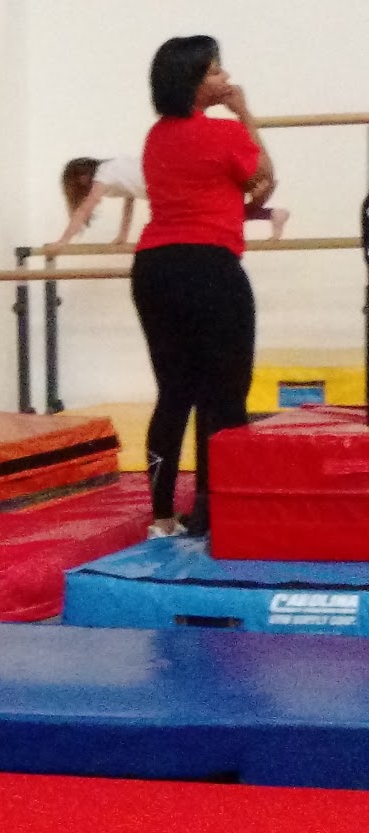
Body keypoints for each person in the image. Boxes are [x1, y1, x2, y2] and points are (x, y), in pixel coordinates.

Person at [131, 35, 275, 539]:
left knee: (174, 391)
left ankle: (162, 517)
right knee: (226, 395)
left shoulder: (156, 136)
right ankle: (218, 514)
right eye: (215, 71)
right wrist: (244, 112)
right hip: (209, 266)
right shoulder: (222, 132)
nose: (225, 78)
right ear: (193, 83)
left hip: (155, 268)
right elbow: (264, 175)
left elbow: (214, 188)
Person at [55, 155, 287, 247]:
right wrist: (122, 236)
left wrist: (63, 241)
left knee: (214, 209)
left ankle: (255, 183)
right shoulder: (111, 171)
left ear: (83, 176)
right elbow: (130, 199)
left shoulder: (103, 176)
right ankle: (271, 213)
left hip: (171, 181)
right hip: (170, 179)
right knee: (216, 210)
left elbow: (84, 209)